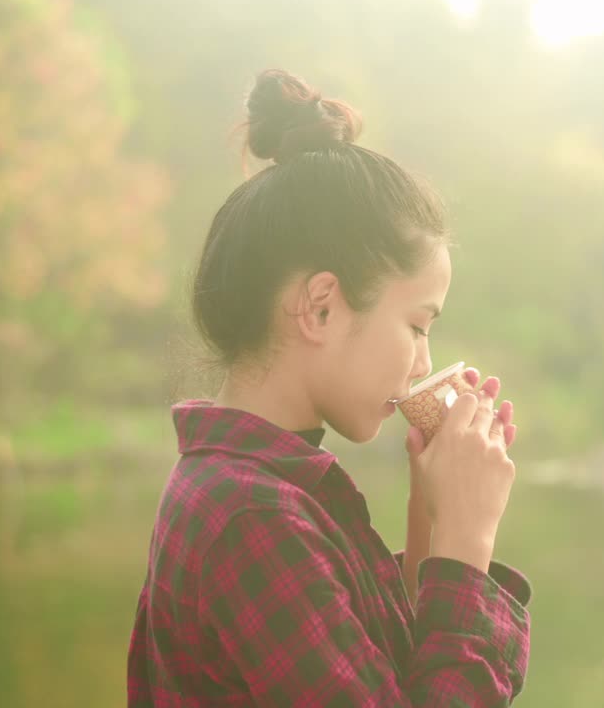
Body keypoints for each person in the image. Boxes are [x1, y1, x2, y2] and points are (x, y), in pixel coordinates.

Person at [126, 69, 532, 706]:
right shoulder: (255, 519)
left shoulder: (251, 488)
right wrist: (467, 544)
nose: (422, 361)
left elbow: (385, 674)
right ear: (320, 307)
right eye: (417, 325)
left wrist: (430, 518)